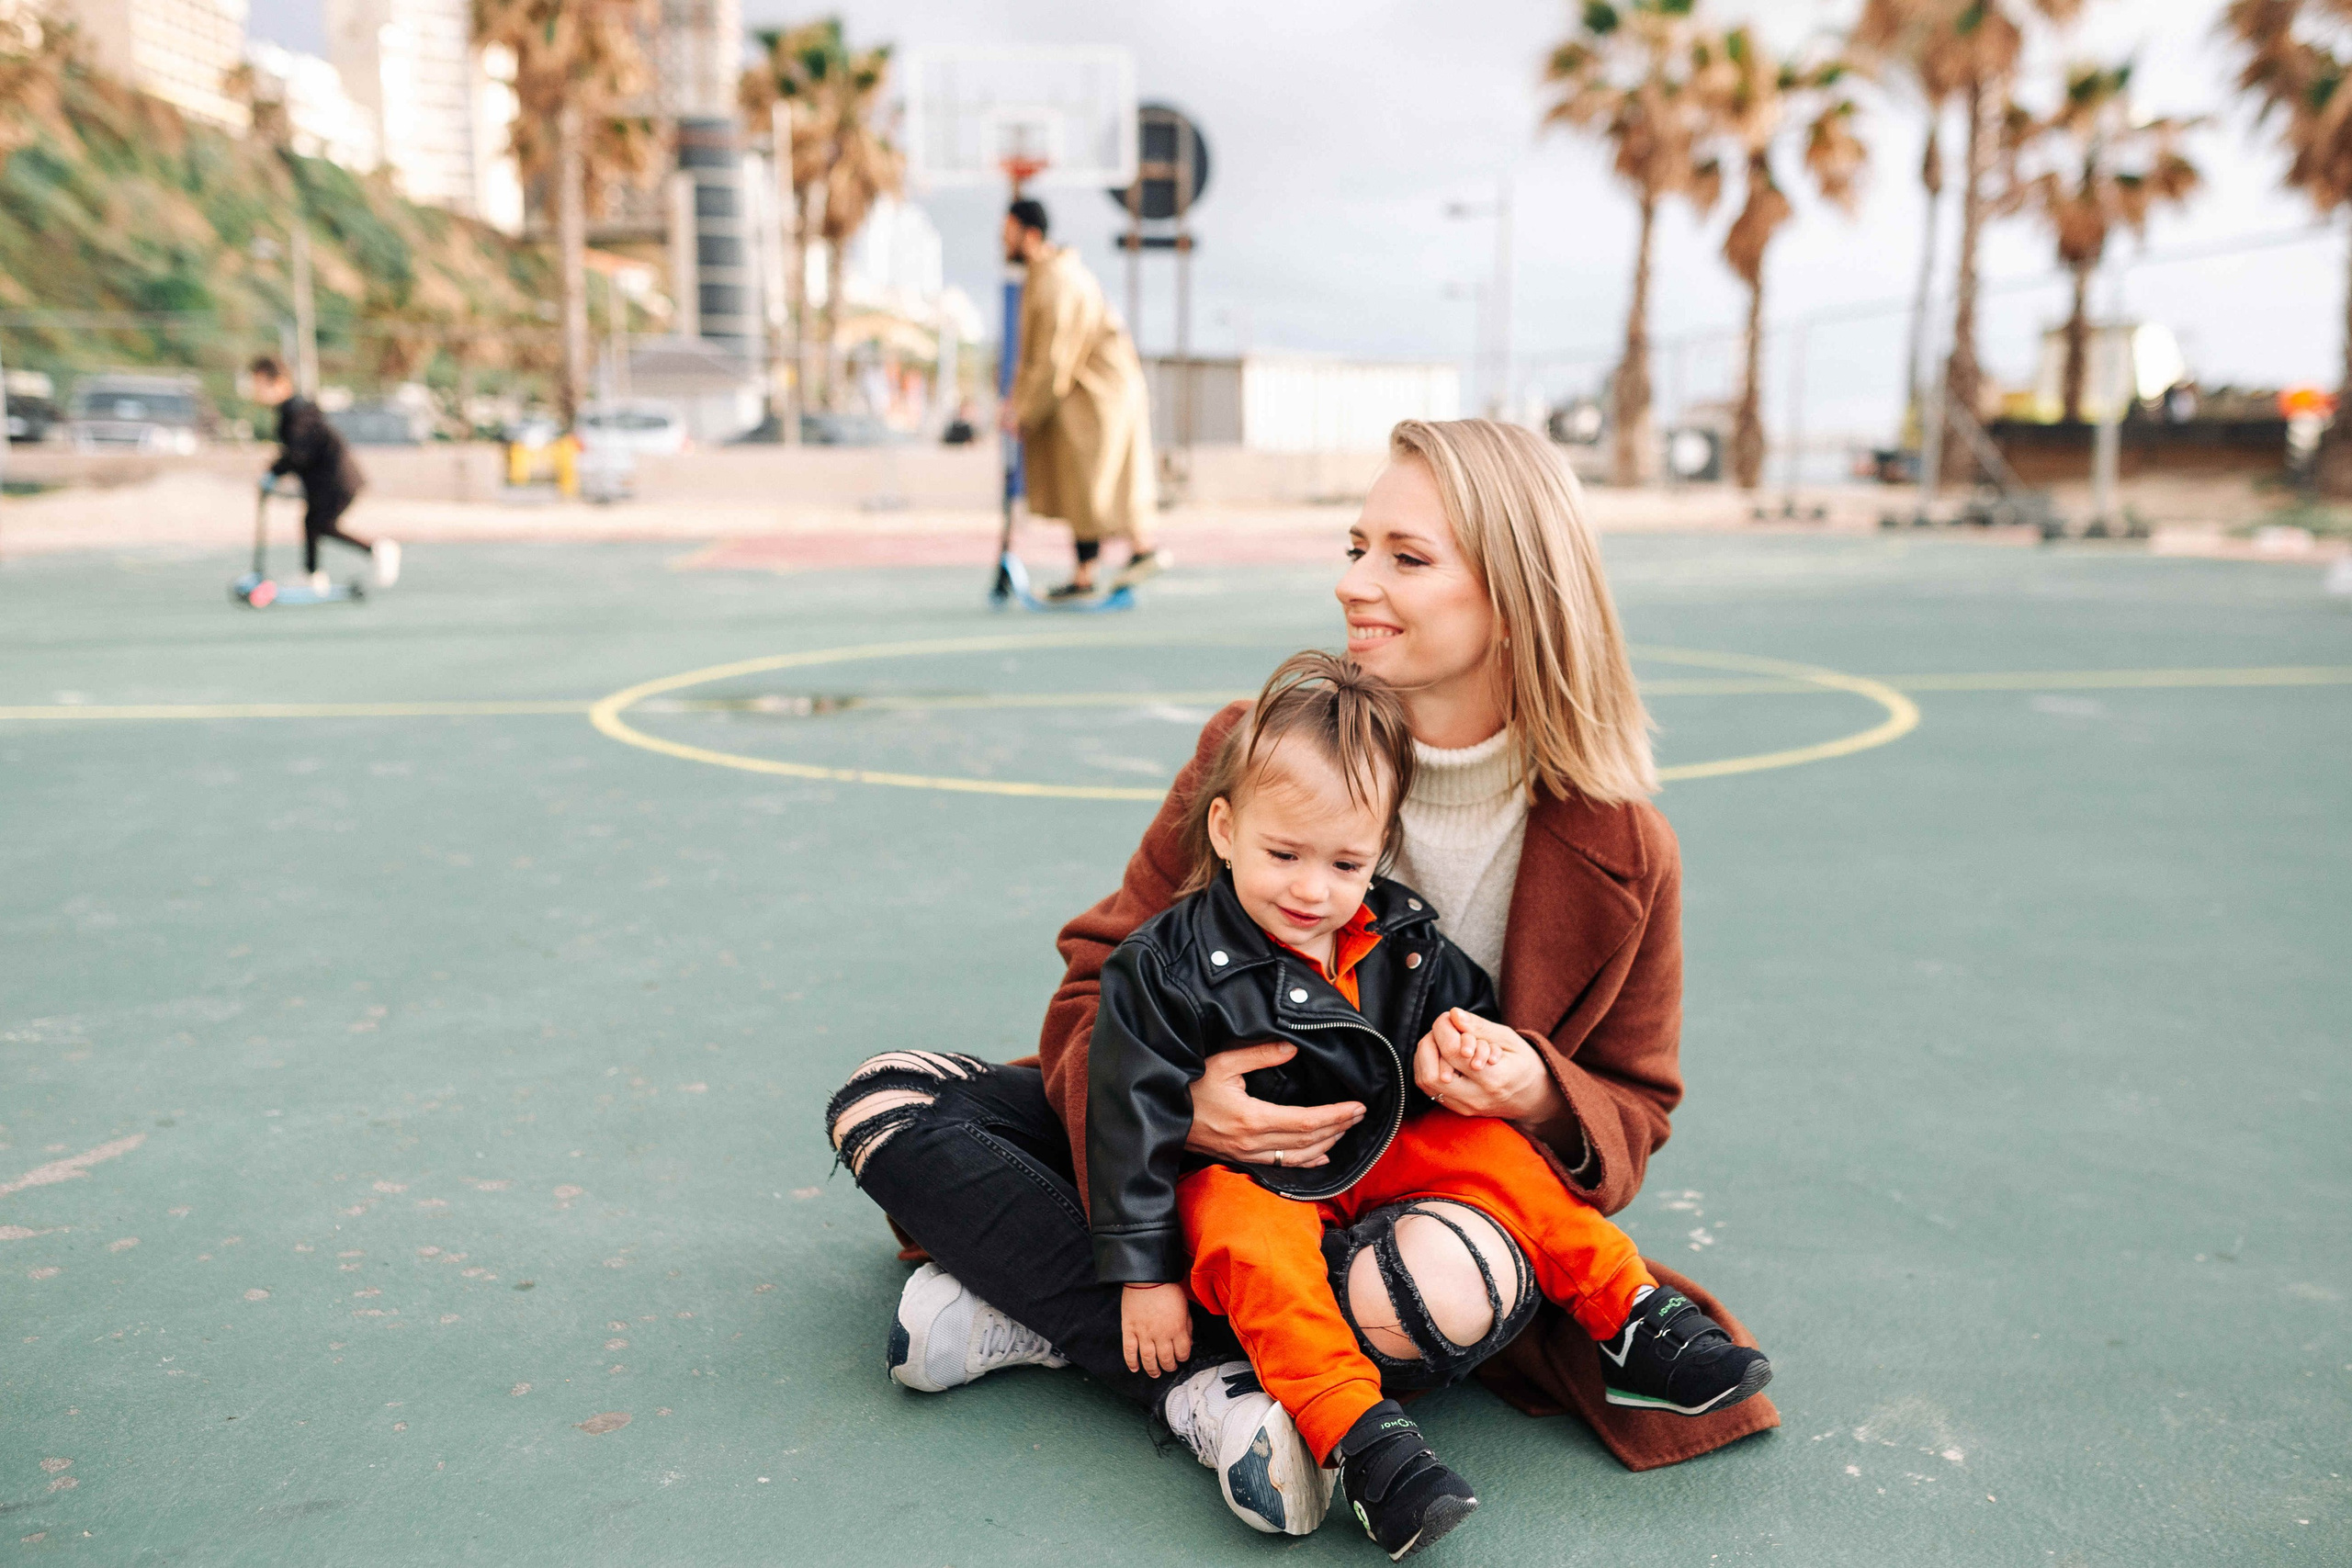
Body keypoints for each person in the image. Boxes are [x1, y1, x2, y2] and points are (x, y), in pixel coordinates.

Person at [825, 418, 1778, 1537]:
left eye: (1405, 559)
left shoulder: (1622, 846)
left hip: (1414, 1202)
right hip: (1193, 1181)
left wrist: (1530, 1088)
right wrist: (1182, 1114)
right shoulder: (1259, 745)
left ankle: (1053, 1313)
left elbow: (1634, 1107)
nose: (1352, 583)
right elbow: (1098, 983)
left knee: (1446, 1283)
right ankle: (1207, 1388)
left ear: (1517, 597)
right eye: (1355, 544)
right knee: (888, 1102)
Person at [1089, 650, 1770, 1556]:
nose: (1310, 888)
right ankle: (1366, 1449)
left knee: (1495, 1155)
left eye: (1343, 863)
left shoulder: (1399, 938)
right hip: (1249, 1172)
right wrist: (1143, 1275)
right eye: (1282, 854)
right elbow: (1124, 1122)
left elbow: (1467, 1012)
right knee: (1253, 1253)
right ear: (1221, 828)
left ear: (1378, 853)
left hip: (1381, 1149)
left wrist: (1480, 1052)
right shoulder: (1164, 960)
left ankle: (1636, 1323)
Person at [1000, 197, 1164, 601]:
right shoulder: (1047, 275)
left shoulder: (1059, 282)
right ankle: (1087, 574)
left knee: (1098, 482)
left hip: (1102, 396)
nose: (1002, 242)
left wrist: (1023, 411)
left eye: (1008, 234)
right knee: (1083, 484)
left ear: (1030, 235)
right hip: (1090, 395)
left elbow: (1053, 360)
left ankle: (1141, 552)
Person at [249, 355, 399, 592]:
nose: (255, 391)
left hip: (336, 481)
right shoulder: (291, 411)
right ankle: (313, 575)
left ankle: (377, 549)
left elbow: (299, 452)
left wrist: (273, 472)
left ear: (278, 383)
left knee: (321, 524)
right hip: (327, 482)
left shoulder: (296, 412)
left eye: (259, 385)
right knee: (314, 523)